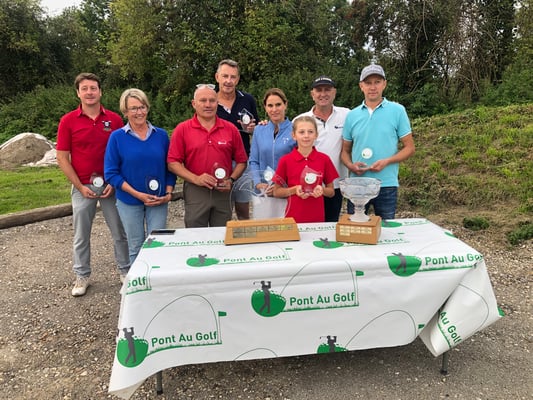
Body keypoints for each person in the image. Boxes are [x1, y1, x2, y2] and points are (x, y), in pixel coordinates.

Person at [56, 72, 130, 297]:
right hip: (83, 186)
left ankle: (125, 271)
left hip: (110, 185)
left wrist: (115, 182)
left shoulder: (115, 120)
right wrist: (79, 187)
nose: (89, 92)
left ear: (100, 92)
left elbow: (122, 154)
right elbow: (62, 157)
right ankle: (82, 275)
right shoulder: (68, 121)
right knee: (81, 234)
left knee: (119, 230)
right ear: (78, 93)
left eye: (93, 88)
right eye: (85, 89)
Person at [104, 88, 176, 265]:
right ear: (125, 111)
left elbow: (170, 167)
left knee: (157, 244)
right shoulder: (117, 137)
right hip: (129, 201)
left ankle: (156, 279)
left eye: (142, 107)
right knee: (136, 246)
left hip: (158, 200)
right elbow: (111, 173)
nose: (139, 112)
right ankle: (137, 281)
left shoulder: (161, 135)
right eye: (134, 108)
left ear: (147, 108)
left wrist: (168, 193)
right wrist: (137, 194)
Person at [341, 64, 415, 220]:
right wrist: (350, 166)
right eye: (368, 83)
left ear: (384, 84)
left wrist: (387, 161)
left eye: (377, 82)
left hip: (386, 183)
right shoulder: (352, 115)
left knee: (386, 228)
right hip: (357, 185)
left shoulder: (398, 111)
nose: (373, 87)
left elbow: (409, 148)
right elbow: (345, 151)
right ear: (361, 86)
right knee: (355, 229)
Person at [167, 84, 247, 227]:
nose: (208, 105)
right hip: (195, 189)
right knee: (196, 233)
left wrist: (231, 180)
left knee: (222, 233)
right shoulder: (182, 129)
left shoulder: (230, 129)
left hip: (222, 190)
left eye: (212, 100)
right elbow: (173, 163)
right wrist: (196, 179)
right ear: (194, 104)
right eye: (203, 100)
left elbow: (242, 161)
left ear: (218, 103)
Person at [294, 75, 350, 222]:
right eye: (319, 90)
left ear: (334, 92)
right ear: (312, 94)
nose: (323, 94)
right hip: (307, 185)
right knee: (308, 224)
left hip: (335, 184)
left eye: (327, 90)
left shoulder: (347, 115)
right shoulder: (300, 120)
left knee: (331, 224)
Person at [215, 59, 260, 220]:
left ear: (238, 79)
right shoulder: (209, 100)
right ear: (217, 77)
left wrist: (252, 129)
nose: (228, 81)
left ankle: (244, 234)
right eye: (225, 76)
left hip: (242, 161)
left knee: (243, 208)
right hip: (217, 162)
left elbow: (256, 126)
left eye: (233, 77)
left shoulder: (247, 100)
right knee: (221, 210)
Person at [273, 116, 338, 223]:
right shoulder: (285, 160)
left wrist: (321, 190)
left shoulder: (324, 159)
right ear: (294, 135)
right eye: (301, 132)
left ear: (316, 135)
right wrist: (294, 190)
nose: (306, 136)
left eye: (310, 132)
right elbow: (276, 192)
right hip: (293, 219)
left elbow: (331, 192)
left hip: (317, 219)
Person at [249, 88, 295, 194]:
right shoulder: (259, 130)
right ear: (265, 107)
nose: (274, 109)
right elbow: (253, 161)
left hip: (286, 191)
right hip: (263, 191)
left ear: (285, 105)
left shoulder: (295, 130)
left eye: (278, 105)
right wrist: (258, 183)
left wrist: (282, 187)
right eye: (270, 105)